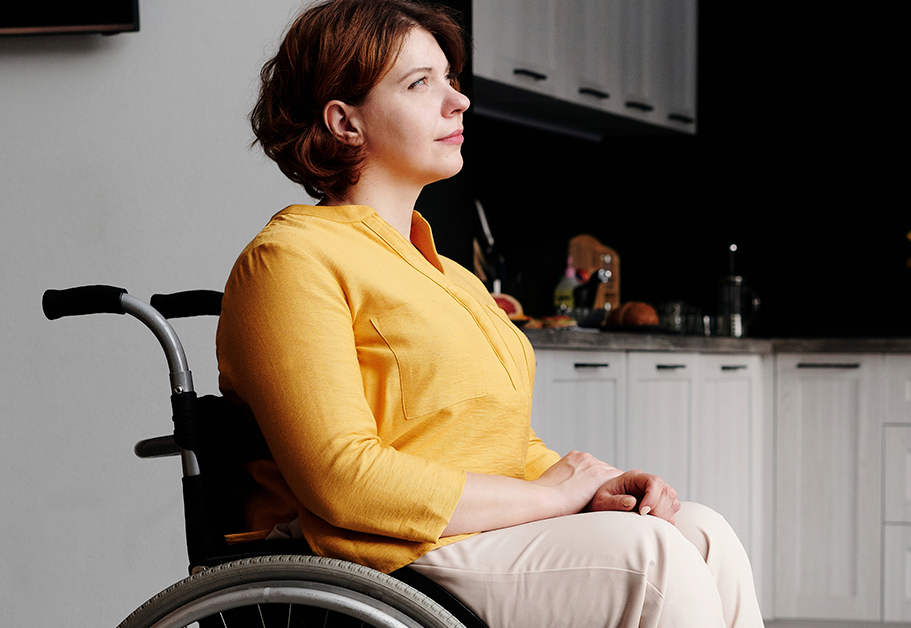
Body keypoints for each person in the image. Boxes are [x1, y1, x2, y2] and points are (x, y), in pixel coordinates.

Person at [216, 1, 764, 626]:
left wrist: (589, 488)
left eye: (450, 79)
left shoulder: (451, 275)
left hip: (476, 536)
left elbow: (495, 443)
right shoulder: (290, 260)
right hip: (378, 555)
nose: (458, 101)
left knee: (703, 530)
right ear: (345, 122)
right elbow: (344, 480)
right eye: (421, 83)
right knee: (654, 555)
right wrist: (549, 495)